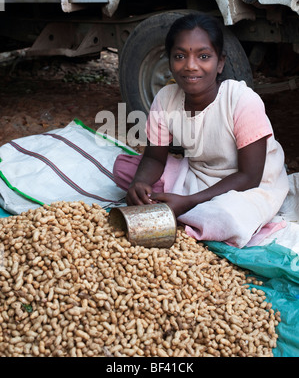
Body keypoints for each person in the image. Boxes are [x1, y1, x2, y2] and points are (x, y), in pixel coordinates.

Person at [113, 13, 289, 248]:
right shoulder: (166, 99)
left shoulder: (240, 99)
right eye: (180, 56)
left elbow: (250, 176)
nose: (190, 66)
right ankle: (186, 209)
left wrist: (188, 201)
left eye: (203, 56)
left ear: (220, 63)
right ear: (170, 62)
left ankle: (189, 211)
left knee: (227, 218)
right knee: (125, 169)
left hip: (249, 184)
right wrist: (140, 183)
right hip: (199, 174)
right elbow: (155, 157)